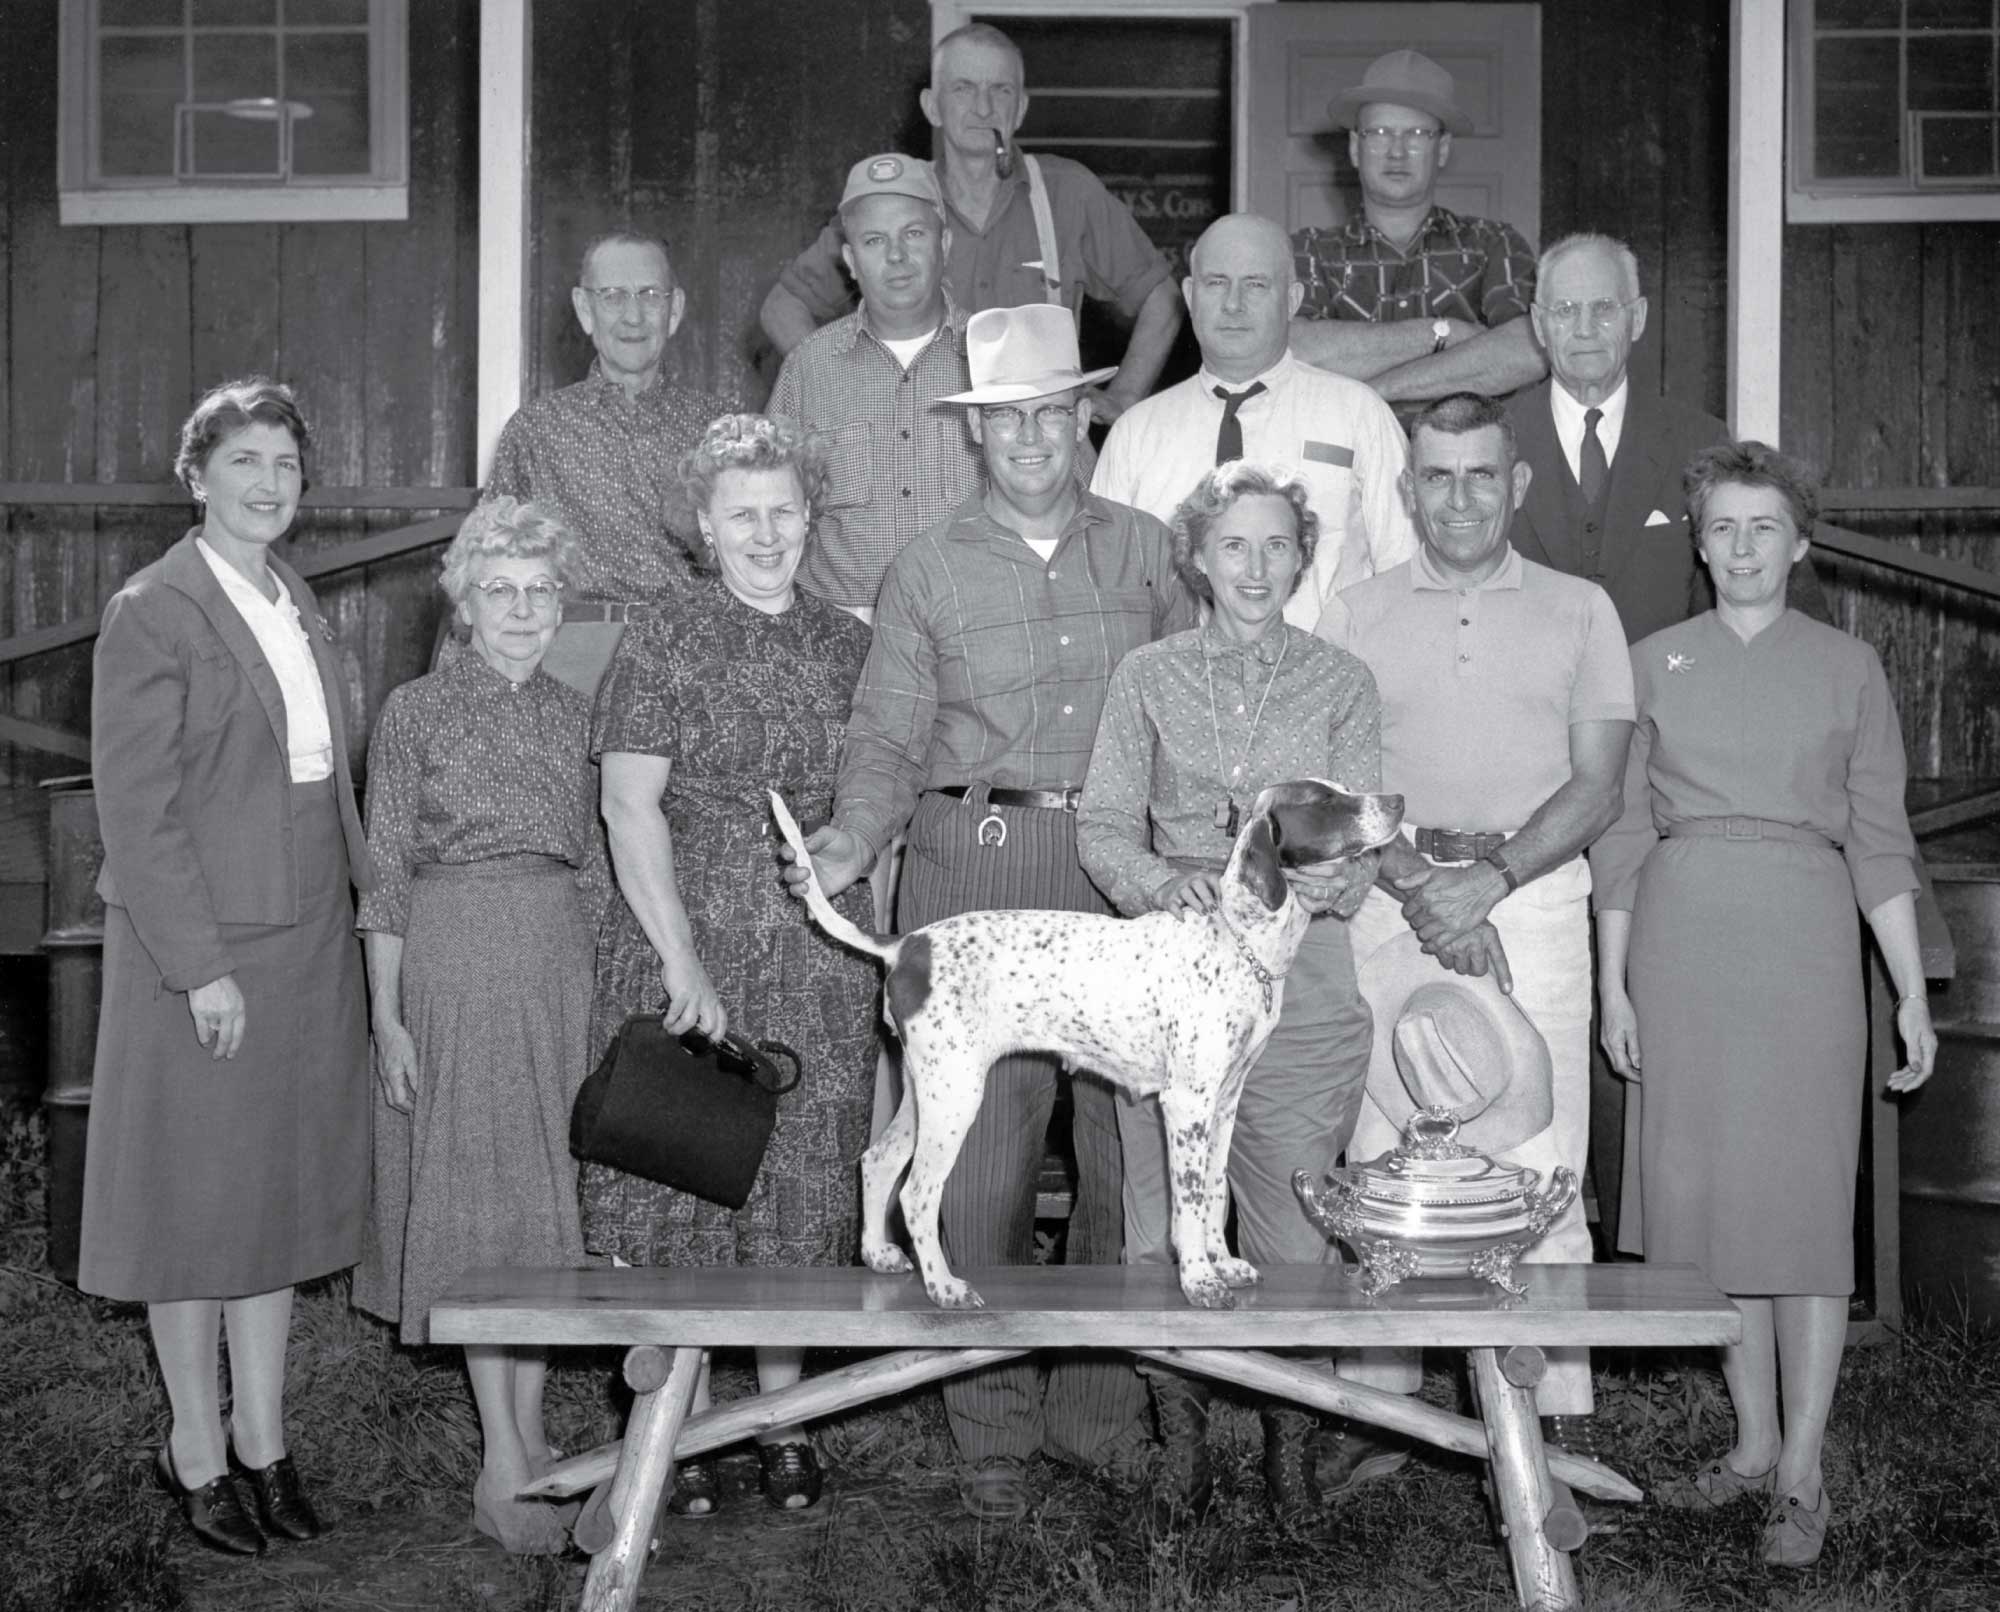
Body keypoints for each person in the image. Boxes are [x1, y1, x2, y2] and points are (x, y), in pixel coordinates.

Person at [782, 302, 1193, 1521]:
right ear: (973, 435)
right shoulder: (924, 564)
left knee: (1129, 1142)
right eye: (1002, 420)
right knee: (984, 1144)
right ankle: (992, 1423)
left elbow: (1188, 706)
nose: (1028, 439)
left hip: (1119, 867)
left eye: (1049, 414)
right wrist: (857, 835)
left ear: (1084, 417)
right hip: (976, 853)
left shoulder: (1149, 551)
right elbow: (885, 731)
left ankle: (1096, 1411)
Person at [1592, 442, 1937, 1568]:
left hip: (1801, 944)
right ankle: (1746, 1443)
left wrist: (1906, 998)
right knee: (1710, 1212)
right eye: (1720, 528)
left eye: (1761, 527)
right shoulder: (1647, 663)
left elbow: (1880, 843)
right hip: (1680, 951)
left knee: (1795, 1207)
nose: (1739, 547)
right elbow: (1622, 839)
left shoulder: (1848, 669)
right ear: (1696, 544)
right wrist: (1612, 987)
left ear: (1797, 541)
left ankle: (1801, 1468)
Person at [80, 378, 374, 1556]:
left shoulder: (293, 595)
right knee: (196, 1207)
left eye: (285, 466)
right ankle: (193, 1449)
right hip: (199, 948)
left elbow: (317, 776)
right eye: (243, 462)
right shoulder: (152, 608)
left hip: (304, 941)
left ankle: (265, 1438)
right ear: (195, 476)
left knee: (274, 1205)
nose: (267, 484)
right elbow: (138, 815)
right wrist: (200, 967)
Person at [1323, 392, 1634, 1485]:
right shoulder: (1352, 612)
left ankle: (1550, 1412)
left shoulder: (1580, 608)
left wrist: (1490, 882)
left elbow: (1597, 785)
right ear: (1406, 490)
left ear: (1516, 484)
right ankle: (1388, 1406)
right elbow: (1339, 781)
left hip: (1534, 888)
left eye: (1478, 475)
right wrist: (1421, 887)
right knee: (1386, 1141)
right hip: (1389, 892)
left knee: (1535, 1148)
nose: (1457, 498)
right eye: (1436, 477)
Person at [1505, 232, 1833, 1254]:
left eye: (1605, 309)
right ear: (1534, 324)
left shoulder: (1696, 442)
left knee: (1637, 1009)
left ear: (1637, 318)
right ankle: (1516, 1260)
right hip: (1525, 775)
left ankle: (1633, 1267)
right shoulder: (1489, 443)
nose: (1584, 329)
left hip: (1658, 778)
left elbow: (1782, 614)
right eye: (1564, 311)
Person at [581, 414, 879, 1516]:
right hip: (684, 932)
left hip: (812, 951)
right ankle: (684, 1428)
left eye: (784, 510)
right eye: (742, 513)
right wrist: (682, 962)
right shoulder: (664, 632)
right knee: (683, 1176)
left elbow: (875, 797)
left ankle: (783, 1420)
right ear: (703, 524)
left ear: (811, 517)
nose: (766, 533)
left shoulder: (850, 646)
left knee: (796, 1182)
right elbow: (628, 803)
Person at [1076, 461, 1381, 1522]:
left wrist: (1333, 875)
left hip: (1298, 981)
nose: (1255, 566)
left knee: (1294, 1225)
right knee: (1158, 1224)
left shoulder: (1342, 681)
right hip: (1162, 978)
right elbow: (1103, 826)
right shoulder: (1146, 676)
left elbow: (1356, 845)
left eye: (1276, 545)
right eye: (1232, 546)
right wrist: (1170, 889)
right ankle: (1182, 1441)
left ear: (1303, 557)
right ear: (1196, 559)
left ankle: (1289, 1442)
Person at [351, 497, 606, 1553]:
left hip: (556, 963)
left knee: (541, 1203)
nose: (520, 608)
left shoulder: (577, 711)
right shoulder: (412, 710)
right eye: (498, 589)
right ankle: (503, 1455)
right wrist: (388, 1015)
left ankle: (535, 1433)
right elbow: (382, 877)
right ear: (463, 600)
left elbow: (593, 862)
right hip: (451, 961)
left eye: (539, 590)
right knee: (470, 1202)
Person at [759, 23, 1180, 425]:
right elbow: (782, 308)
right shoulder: (892, 205)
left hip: (1040, 457)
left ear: (1021, 108)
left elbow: (1162, 300)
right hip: (917, 458)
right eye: (963, 88)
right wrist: (842, 386)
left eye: (1000, 90)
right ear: (931, 106)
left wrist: (1125, 398)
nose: (983, 107)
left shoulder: (1068, 193)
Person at [1092, 213, 1417, 633]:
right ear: (1190, 296)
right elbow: (1105, 589)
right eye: (1216, 282)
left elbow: (1403, 573)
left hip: (1324, 684)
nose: (1233, 304)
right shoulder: (1135, 434)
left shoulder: (1359, 415)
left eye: (1256, 284)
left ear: (1294, 299)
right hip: (1178, 689)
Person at [484, 231, 733, 696]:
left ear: (675, 310)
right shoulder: (536, 430)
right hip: (570, 657)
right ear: (584, 309)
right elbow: (487, 564)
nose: (634, 316)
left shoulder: (720, 430)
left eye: (650, 296)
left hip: (690, 657)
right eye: (614, 296)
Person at [769, 153, 978, 619]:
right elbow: (769, 514)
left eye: (914, 234)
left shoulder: (997, 356)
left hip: (973, 630)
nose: (897, 256)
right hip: (840, 634)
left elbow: (1070, 503)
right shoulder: (808, 369)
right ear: (849, 259)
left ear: (945, 244)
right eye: (874, 240)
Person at [1290, 50, 1545, 406]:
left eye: (1417, 134)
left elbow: (1530, 350)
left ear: (1441, 149)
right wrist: (1444, 333)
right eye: (1379, 132)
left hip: (1463, 460)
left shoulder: (1493, 243)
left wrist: (1376, 393)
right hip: (1347, 461)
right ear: (1354, 147)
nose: (1397, 151)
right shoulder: (1308, 250)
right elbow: (1295, 352)